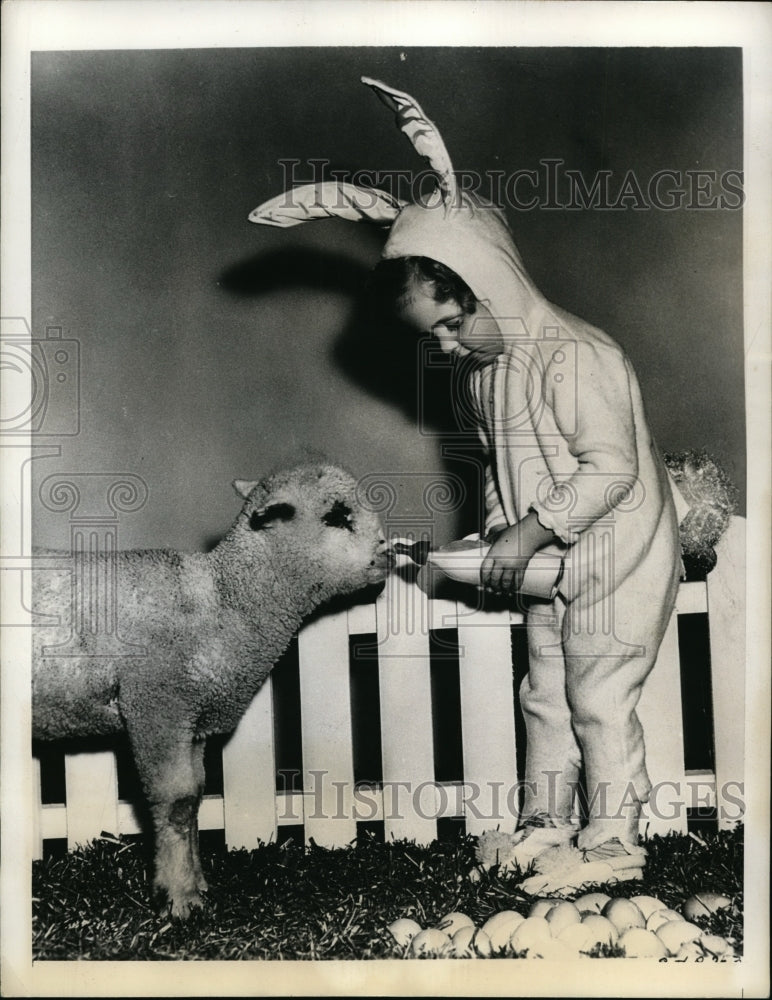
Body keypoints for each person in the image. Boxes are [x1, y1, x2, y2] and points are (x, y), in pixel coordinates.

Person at [250, 77, 685, 883]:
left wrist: (528, 531)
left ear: (496, 279)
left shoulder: (578, 357)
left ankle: (615, 844)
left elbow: (613, 471)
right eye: (434, 335)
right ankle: (547, 823)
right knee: (544, 692)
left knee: (597, 698)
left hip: (620, 556)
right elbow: (498, 467)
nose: (448, 345)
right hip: (552, 557)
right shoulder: (482, 376)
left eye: (455, 322)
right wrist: (498, 530)